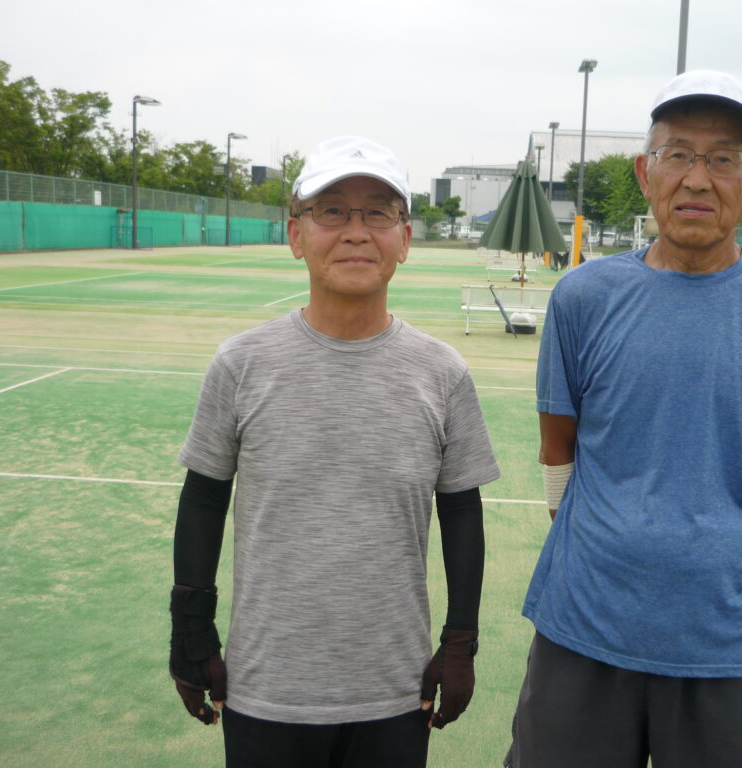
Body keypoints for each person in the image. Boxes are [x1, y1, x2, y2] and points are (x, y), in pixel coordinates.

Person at [505, 71, 742, 768]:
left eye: (724, 158)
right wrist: (610, 558)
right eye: (678, 155)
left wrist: (729, 567)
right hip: (583, 628)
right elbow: (556, 452)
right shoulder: (583, 296)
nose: (698, 179)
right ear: (646, 173)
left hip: (733, 642)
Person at [169, 135, 500, 768]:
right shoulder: (240, 363)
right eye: (332, 211)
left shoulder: (443, 372)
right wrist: (190, 627)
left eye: (378, 212)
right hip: (266, 686)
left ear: (404, 238)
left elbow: (461, 512)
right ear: (296, 235)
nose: (356, 232)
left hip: (395, 687)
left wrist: (460, 642)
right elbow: (204, 499)